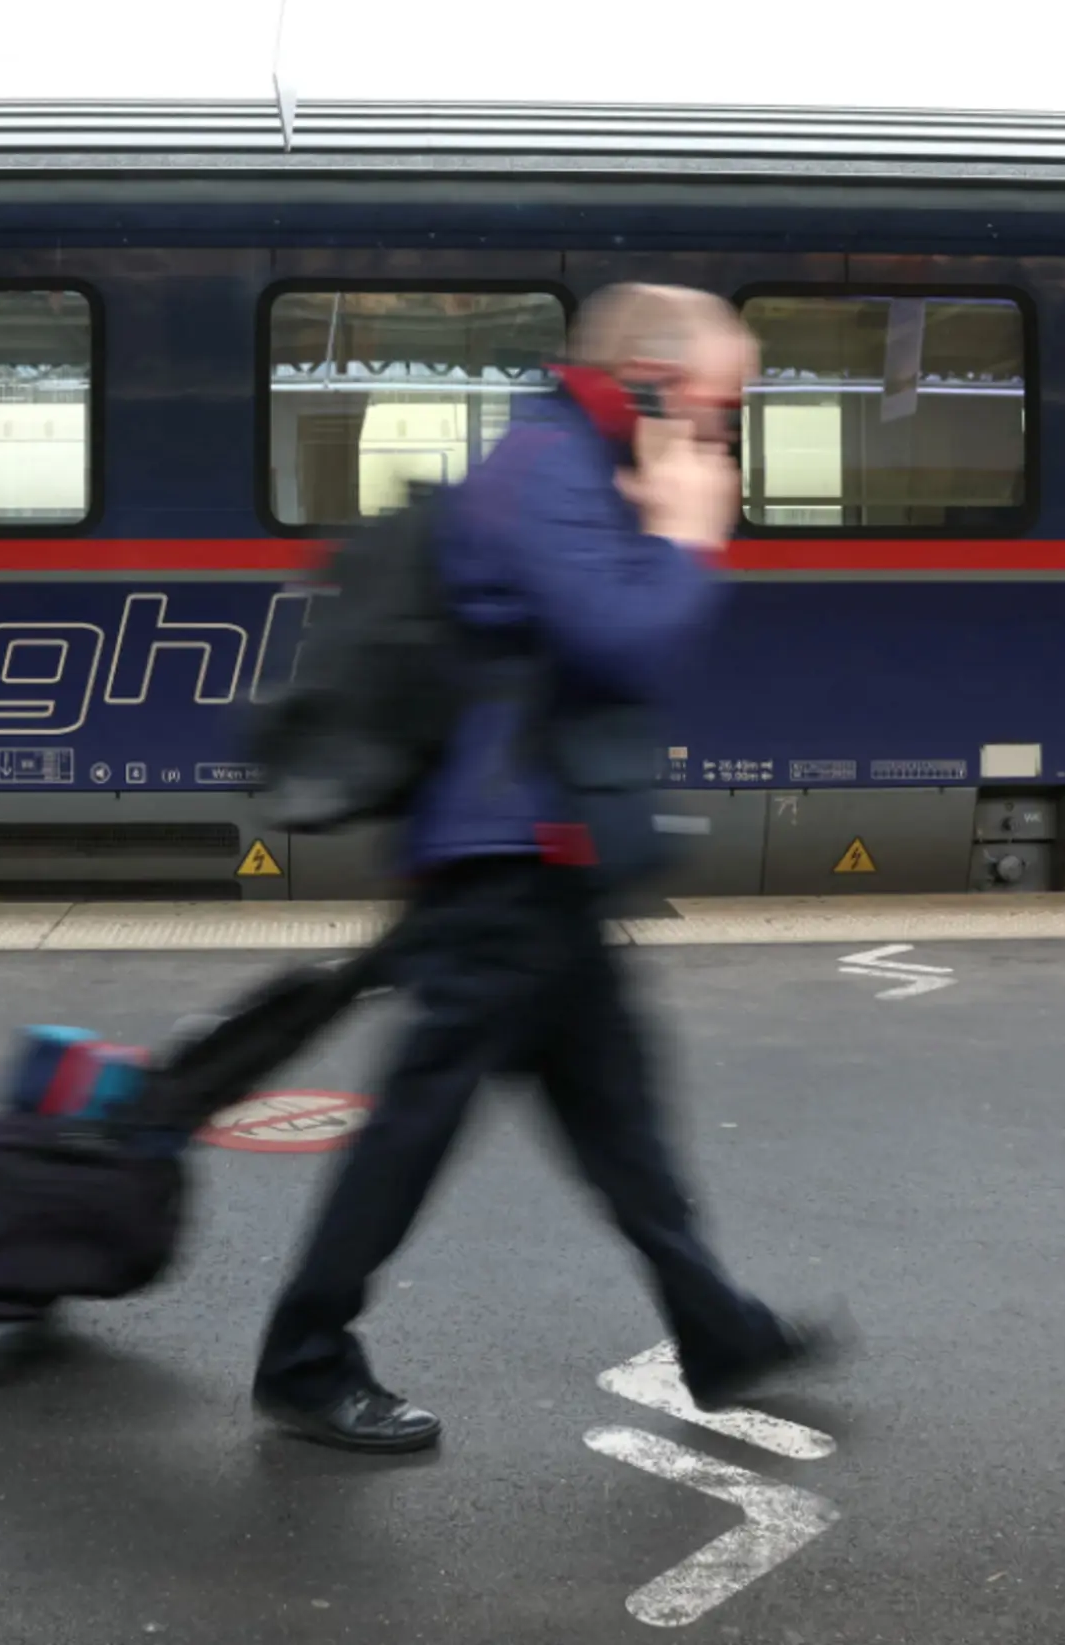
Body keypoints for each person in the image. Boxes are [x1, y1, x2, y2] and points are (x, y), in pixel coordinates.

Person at [251, 284, 842, 1453]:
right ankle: (304, 1360)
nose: (725, 430)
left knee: (623, 1128)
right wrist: (684, 532)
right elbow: (625, 646)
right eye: (721, 402)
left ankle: (718, 1332)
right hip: (503, 867)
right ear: (652, 378)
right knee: (414, 1129)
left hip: (544, 862)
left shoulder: (577, 461)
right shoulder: (546, 466)